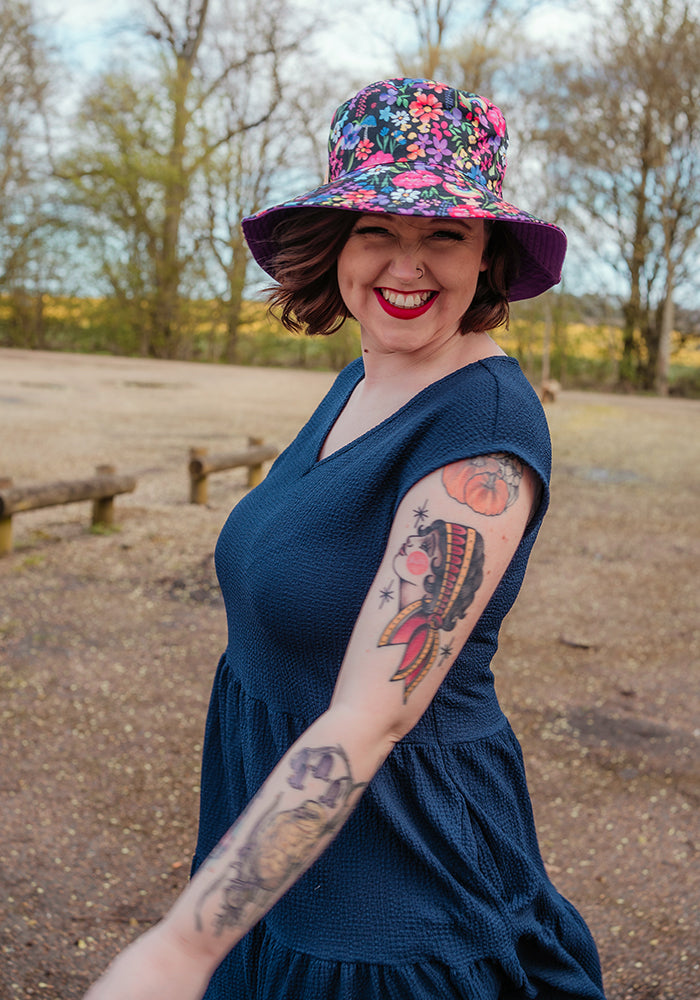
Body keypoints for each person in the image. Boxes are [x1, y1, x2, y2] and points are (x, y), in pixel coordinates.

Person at [85, 78, 607, 999]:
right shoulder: (366, 379)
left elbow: (377, 710)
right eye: (378, 230)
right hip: (283, 846)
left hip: (392, 877)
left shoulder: (481, 428)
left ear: (486, 255)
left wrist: (183, 946)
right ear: (338, 245)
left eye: (443, 234)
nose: (407, 266)